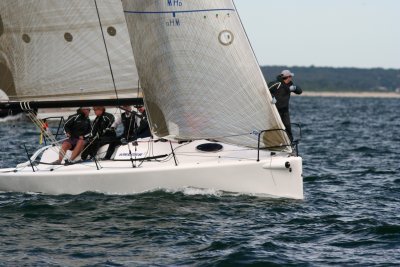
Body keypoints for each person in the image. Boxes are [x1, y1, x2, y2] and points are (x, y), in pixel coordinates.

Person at [268, 69, 302, 142]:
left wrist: (295, 88)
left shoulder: (290, 85)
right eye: (290, 77)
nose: (291, 78)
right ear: (288, 77)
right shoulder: (276, 84)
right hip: (275, 110)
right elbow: (265, 90)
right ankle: (273, 144)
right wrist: (272, 97)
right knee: (275, 128)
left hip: (285, 111)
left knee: (287, 127)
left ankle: (289, 144)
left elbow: (300, 92)